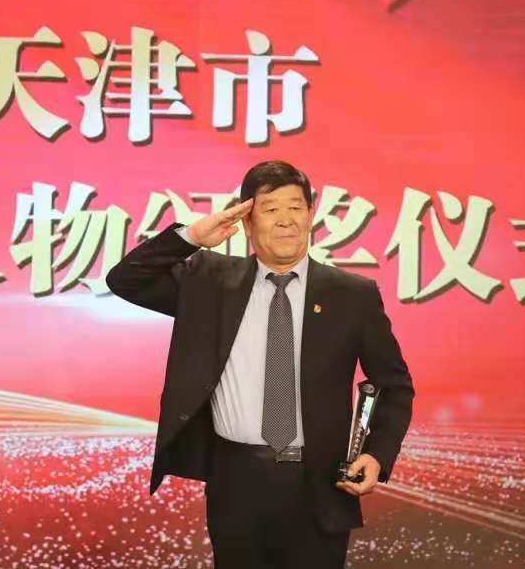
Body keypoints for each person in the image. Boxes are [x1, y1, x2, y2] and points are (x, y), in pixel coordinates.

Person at [106, 160, 414, 568]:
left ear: (311, 215)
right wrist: (192, 237)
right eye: (270, 209)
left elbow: (394, 385)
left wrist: (376, 454)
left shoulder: (351, 294)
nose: (286, 220)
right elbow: (125, 279)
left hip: (319, 482)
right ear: (248, 222)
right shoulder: (211, 282)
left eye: (296, 207)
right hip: (236, 481)